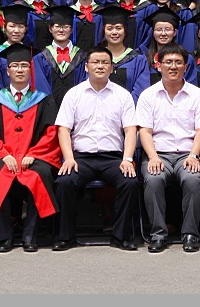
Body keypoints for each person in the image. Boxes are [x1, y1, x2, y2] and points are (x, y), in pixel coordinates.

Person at [0, 44, 62, 253]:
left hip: (34, 156)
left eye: (24, 65)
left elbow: (51, 134)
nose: (20, 70)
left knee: (40, 173)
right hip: (2, 156)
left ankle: (30, 236)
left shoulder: (44, 100)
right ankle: (4, 236)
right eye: (15, 66)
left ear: (31, 70)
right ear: (8, 71)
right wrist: (3, 155)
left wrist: (34, 154)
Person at [52, 46, 139, 251]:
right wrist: (69, 158)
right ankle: (66, 237)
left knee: (130, 182)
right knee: (65, 182)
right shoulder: (74, 94)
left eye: (105, 63)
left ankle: (121, 237)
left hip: (113, 158)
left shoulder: (123, 95)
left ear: (112, 68)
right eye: (95, 62)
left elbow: (130, 130)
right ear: (86, 67)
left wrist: (127, 159)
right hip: (81, 158)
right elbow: (63, 129)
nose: (100, 66)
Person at [135, 44, 200, 253]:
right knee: (153, 179)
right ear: (158, 65)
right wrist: (152, 157)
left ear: (186, 67)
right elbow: (145, 131)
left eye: (178, 62)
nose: (173, 66)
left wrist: (194, 155)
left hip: (188, 154)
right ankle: (158, 234)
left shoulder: (197, 94)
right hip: (157, 153)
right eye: (168, 62)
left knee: (193, 179)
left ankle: (190, 234)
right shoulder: (148, 95)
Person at [34, 6, 88, 105]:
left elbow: (84, 84)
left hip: (76, 107)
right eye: (57, 26)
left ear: (71, 30)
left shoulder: (82, 57)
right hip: (49, 109)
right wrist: (50, 107)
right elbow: (40, 85)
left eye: (65, 27)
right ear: (50, 29)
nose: (61, 30)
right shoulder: (40, 57)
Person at [97, 5, 151, 103]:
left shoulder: (138, 59)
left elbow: (141, 92)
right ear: (104, 31)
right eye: (109, 28)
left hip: (130, 110)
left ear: (125, 31)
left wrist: (124, 108)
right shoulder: (96, 58)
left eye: (118, 28)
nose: (114, 32)